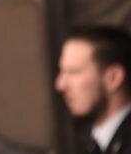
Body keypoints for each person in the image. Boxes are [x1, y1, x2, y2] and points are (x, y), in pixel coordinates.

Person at [55, 26, 131, 154]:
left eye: (73, 72)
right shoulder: (98, 145)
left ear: (113, 78)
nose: (60, 85)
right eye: (62, 72)